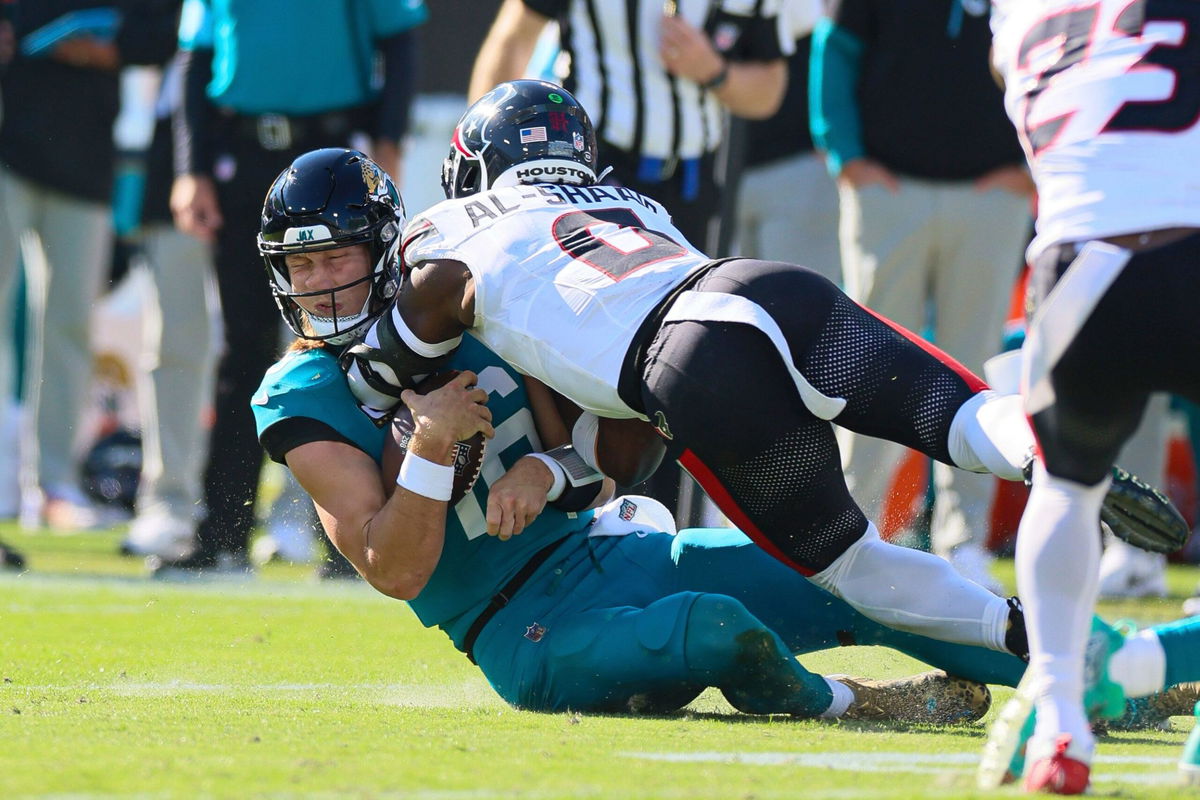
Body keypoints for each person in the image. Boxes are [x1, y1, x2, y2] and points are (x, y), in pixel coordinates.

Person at [257, 148, 1200, 727]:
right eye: (301, 266)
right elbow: (393, 566)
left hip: (618, 547)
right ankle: (851, 704)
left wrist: (548, 467)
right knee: (716, 630)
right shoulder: (298, 389)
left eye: (336, 255)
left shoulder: (466, 306)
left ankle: (1114, 672)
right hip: (521, 626)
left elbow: (622, 449)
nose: (322, 285)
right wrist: (427, 450)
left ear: (386, 246)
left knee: (864, 587)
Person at [344, 79, 1123, 662]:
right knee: (959, 412)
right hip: (767, 287)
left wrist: (375, 378)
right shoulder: (633, 204)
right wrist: (563, 463)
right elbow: (622, 451)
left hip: (691, 361)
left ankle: (1025, 633)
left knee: (848, 561)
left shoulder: (451, 225)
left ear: (472, 167)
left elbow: (436, 300)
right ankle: (1048, 453)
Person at [470, 0, 794, 519]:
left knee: (679, 359)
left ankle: (659, 523)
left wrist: (712, 70)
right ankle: (579, 512)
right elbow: (512, 39)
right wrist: (480, 179)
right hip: (590, 182)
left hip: (689, 188)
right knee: (584, 356)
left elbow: (768, 90)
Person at [987, 1, 1200, 792]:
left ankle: (1062, 722)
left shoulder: (1022, 20)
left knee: (1066, 489)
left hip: (1074, 272)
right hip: (1190, 240)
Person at [155, 0, 427, 574]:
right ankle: (223, 534)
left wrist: (389, 146)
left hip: (333, 160)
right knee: (243, 350)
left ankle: (352, 537)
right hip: (243, 158)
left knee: (357, 347)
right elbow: (194, 61)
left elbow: (398, 41)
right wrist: (191, 167)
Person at [809, 0, 1034, 588]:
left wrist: (1033, 166)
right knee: (867, 363)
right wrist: (845, 154)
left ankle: (965, 542)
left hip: (994, 194)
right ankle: (856, 532)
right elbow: (835, 49)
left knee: (978, 367)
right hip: (888, 188)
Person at [0, 0, 179, 530]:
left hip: (87, 161)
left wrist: (105, 50)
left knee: (70, 324)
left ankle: (52, 483)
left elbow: (160, 34)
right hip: (7, 147)